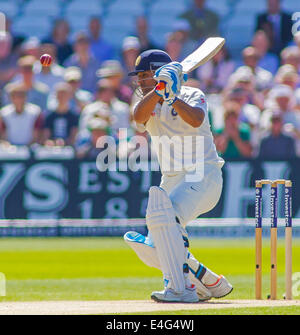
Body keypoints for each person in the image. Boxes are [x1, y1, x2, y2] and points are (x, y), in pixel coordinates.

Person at [123, 49, 233, 302]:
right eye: (138, 76)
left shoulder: (193, 94)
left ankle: (180, 289)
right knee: (155, 245)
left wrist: (172, 97)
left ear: (160, 71)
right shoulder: (146, 101)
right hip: (171, 179)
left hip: (202, 175)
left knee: (166, 219)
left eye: (144, 75)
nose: (140, 81)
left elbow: (195, 120)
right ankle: (208, 280)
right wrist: (159, 91)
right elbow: (138, 119)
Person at [43, 82, 79, 147]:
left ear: (70, 96)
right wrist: (50, 142)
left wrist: (65, 142)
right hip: (52, 148)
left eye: (64, 94)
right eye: (59, 94)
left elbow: (74, 136)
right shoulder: (49, 115)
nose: (62, 96)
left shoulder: (74, 115)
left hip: (68, 148)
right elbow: (46, 136)